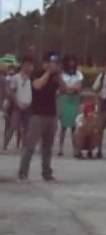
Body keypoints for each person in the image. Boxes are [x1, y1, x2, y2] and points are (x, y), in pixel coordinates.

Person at [18, 53, 62, 182]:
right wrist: (48, 73)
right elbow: (37, 85)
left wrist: (59, 76)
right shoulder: (37, 73)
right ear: (45, 63)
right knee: (30, 145)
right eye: (51, 62)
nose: (53, 65)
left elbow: (64, 89)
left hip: (51, 115)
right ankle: (23, 172)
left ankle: (46, 172)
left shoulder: (56, 77)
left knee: (47, 147)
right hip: (37, 115)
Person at [5, 56, 34, 152]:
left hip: (28, 106)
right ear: (22, 66)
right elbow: (11, 92)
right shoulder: (16, 78)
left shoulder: (32, 78)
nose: (28, 68)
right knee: (12, 126)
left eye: (30, 66)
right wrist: (17, 102)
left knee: (27, 127)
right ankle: (4, 145)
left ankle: (25, 147)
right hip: (18, 105)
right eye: (26, 65)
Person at [57, 55, 83, 157]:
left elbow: (79, 86)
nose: (71, 64)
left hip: (74, 99)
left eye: (73, 61)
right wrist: (68, 89)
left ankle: (75, 148)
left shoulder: (78, 74)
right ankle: (60, 148)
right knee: (63, 126)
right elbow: (62, 87)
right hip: (64, 99)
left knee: (74, 126)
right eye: (69, 61)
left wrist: (72, 89)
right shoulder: (62, 74)